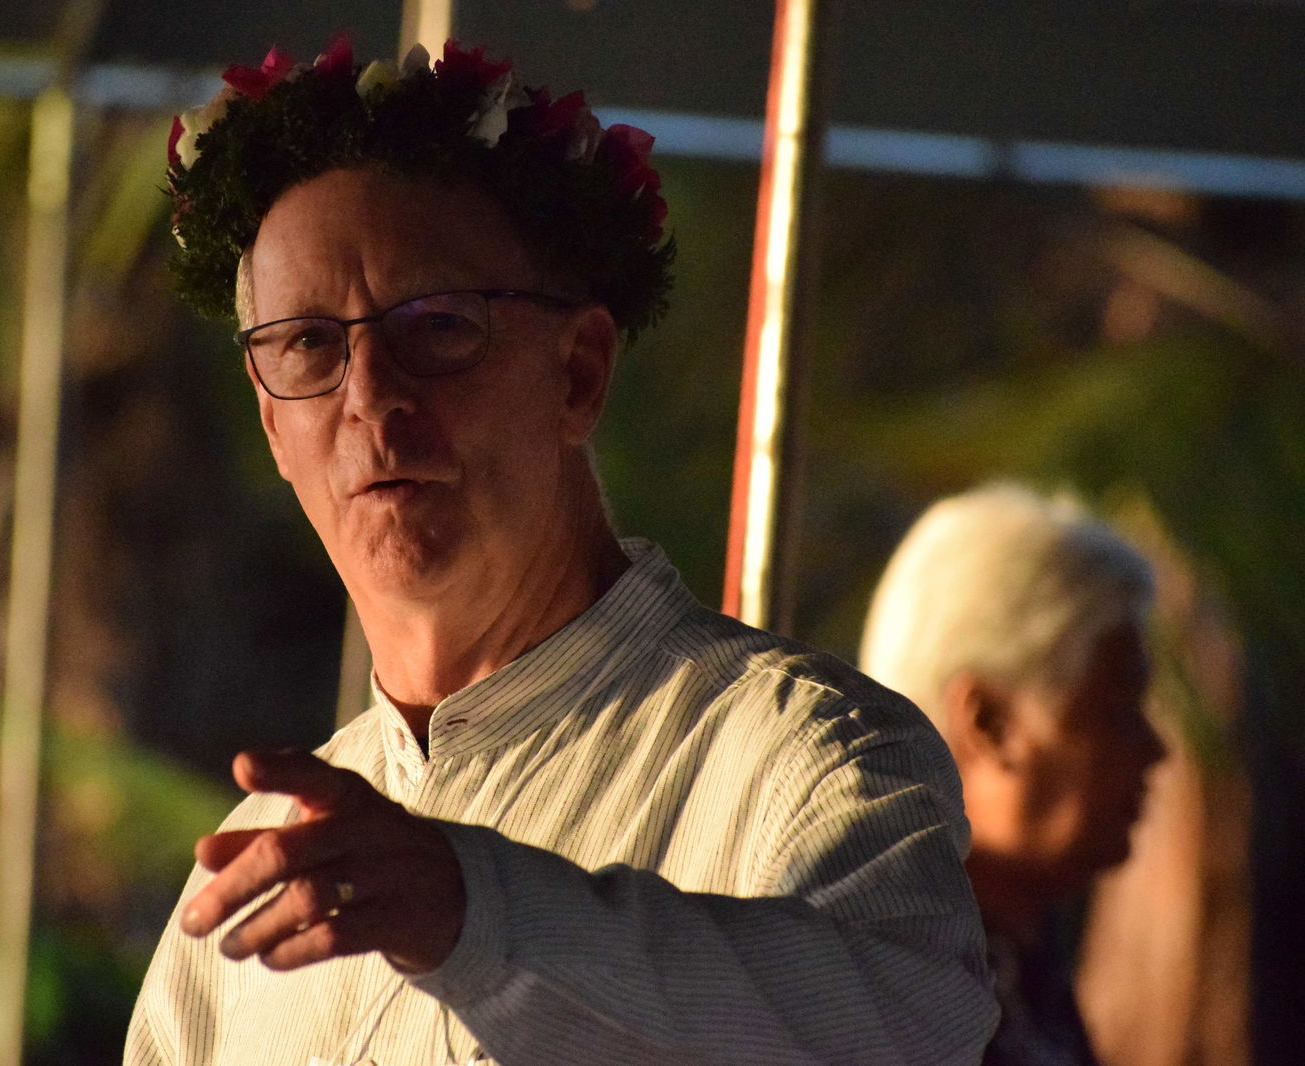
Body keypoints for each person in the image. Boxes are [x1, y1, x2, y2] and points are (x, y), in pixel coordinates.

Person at [127, 38, 997, 1066]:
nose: (369, 398)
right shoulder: (261, 858)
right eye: (309, 344)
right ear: (272, 424)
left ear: (578, 372)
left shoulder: (804, 756)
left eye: (436, 324)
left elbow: (902, 1024)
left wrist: (475, 914)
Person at [858, 484, 1168, 1066]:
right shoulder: (878, 995)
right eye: (1117, 710)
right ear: (990, 723)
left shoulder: (1017, 966)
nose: (1155, 750)